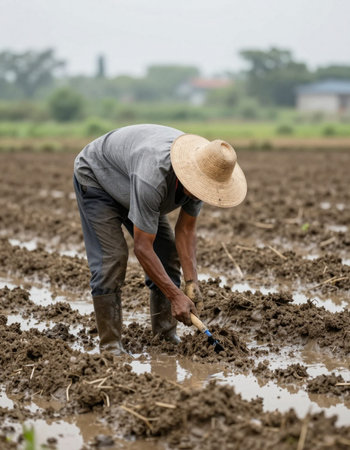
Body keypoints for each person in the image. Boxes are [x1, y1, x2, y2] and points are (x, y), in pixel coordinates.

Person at [73, 124, 247, 355]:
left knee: (166, 254)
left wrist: (191, 282)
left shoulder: (204, 177)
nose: (202, 193)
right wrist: (175, 296)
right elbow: (143, 248)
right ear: (188, 173)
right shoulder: (153, 178)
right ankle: (110, 346)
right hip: (98, 177)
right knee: (112, 258)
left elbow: (185, 231)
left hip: (130, 177)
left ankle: (165, 337)